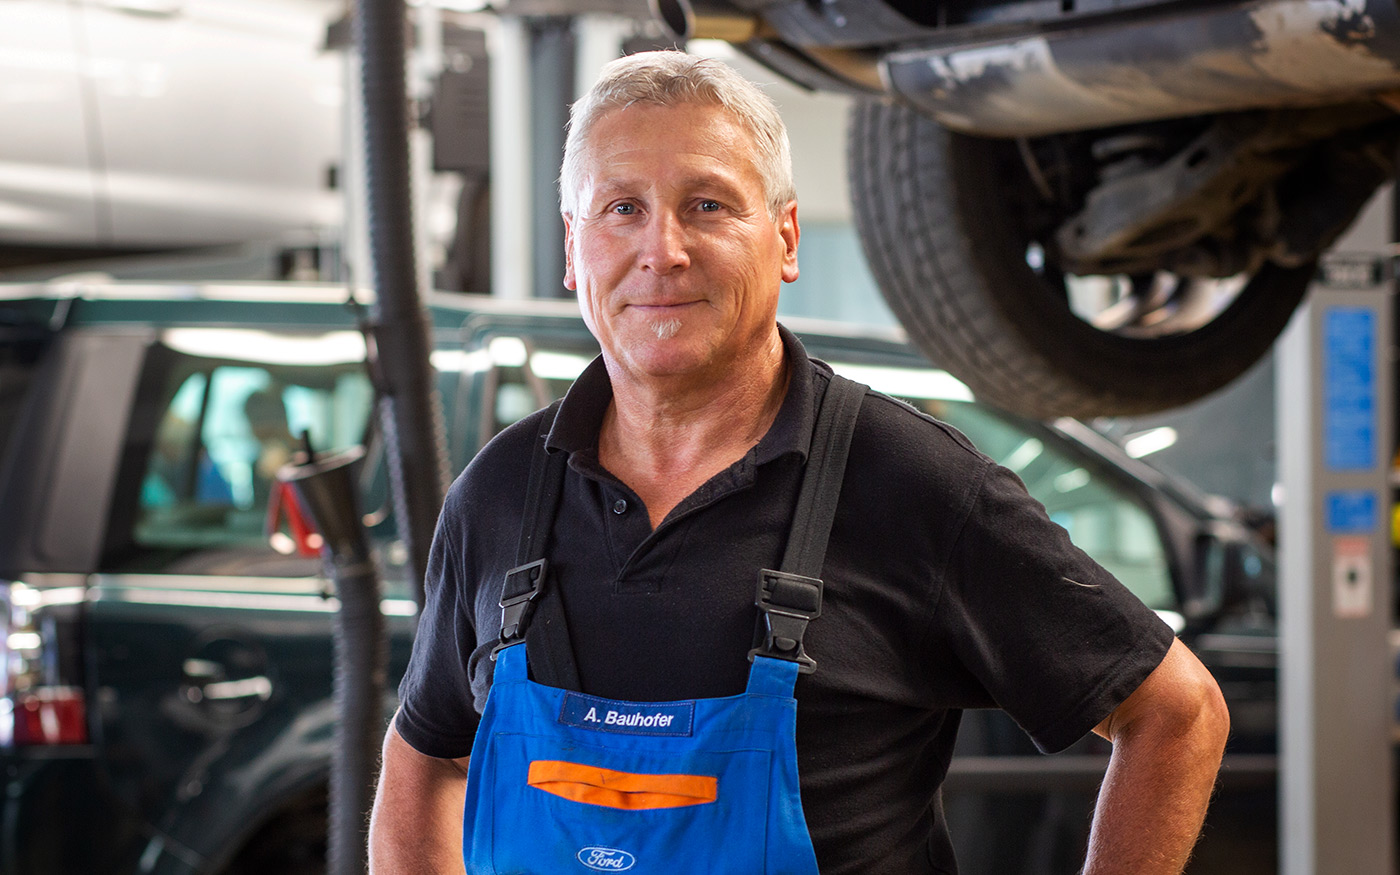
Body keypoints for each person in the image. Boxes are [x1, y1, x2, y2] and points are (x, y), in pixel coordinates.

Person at [368, 50, 1229, 874]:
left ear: (784, 237)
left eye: (708, 205)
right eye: (621, 207)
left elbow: (1177, 712)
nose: (661, 250)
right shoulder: (501, 491)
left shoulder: (911, 483)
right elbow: (425, 749)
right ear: (571, 248)